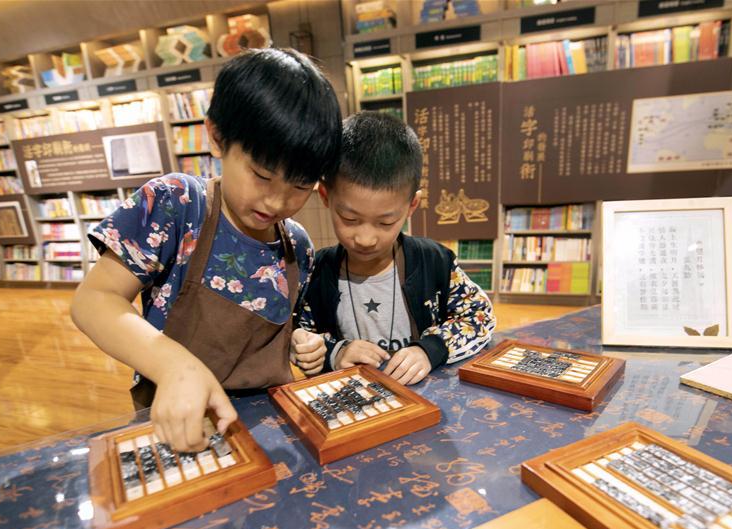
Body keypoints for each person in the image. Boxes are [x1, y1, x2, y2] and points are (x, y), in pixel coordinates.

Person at [71, 48, 340, 452]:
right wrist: (174, 363)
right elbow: (94, 300)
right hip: (181, 427)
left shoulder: (297, 245)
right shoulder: (177, 204)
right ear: (216, 137)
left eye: (300, 186)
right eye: (262, 175)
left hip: (270, 432)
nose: (277, 202)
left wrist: (305, 341)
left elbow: (283, 326)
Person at [293, 111, 496, 385]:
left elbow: (479, 316)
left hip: (426, 401)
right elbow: (299, 335)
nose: (365, 238)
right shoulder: (317, 271)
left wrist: (431, 349)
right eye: (349, 219)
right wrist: (334, 353)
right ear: (326, 196)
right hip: (352, 408)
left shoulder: (434, 261)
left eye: (386, 222)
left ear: (412, 206)